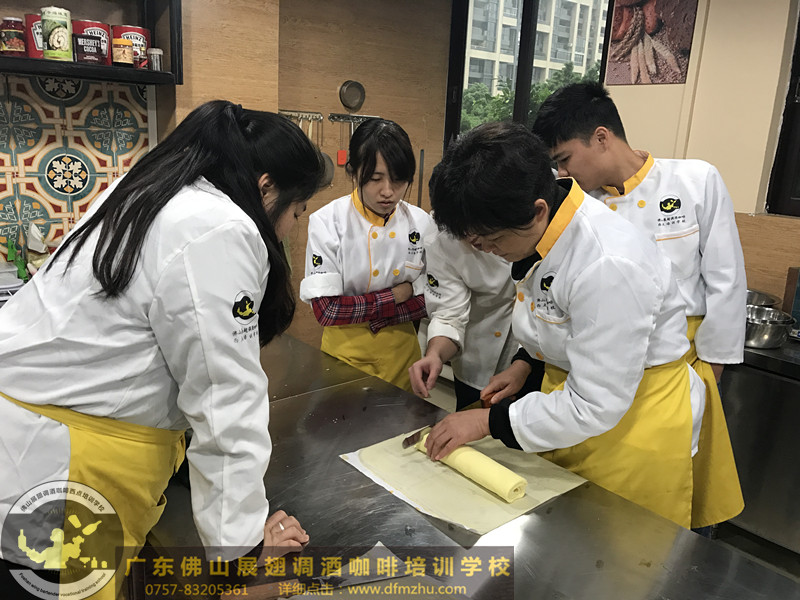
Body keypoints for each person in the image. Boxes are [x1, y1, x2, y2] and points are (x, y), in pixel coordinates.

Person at [0, 101, 323, 598]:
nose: (291, 227)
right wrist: (243, 554)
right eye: (297, 211)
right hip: (64, 471)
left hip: (31, 443)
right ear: (266, 188)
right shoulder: (219, 228)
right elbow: (225, 400)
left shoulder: (150, 193)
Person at [423, 121, 701, 528]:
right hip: (576, 402)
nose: (491, 252)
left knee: (619, 549)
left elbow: (595, 404)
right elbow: (561, 318)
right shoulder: (550, 230)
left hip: (633, 426)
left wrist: (486, 422)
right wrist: (526, 363)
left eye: (492, 241)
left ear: (537, 210)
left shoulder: (607, 264)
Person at [532, 82, 745, 530]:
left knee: (674, 490)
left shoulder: (695, 180)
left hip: (675, 365)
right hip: (596, 361)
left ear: (602, 137)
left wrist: (709, 369)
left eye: (565, 159)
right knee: (597, 501)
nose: (562, 173)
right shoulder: (579, 207)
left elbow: (725, 279)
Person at [300, 118, 432, 392]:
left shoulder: (420, 223)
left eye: (398, 179)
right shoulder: (328, 222)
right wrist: (399, 295)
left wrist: (375, 311)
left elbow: (432, 299)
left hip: (402, 357)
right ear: (353, 171)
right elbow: (327, 311)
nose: (388, 191)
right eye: (375, 179)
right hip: (344, 357)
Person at [409, 229, 544, 410]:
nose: (479, 243)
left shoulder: (539, 231)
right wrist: (435, 354)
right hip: (477, 359)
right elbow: (449, 314)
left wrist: (523, 364)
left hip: (541, 359)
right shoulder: (443, 242)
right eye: (464, 232)